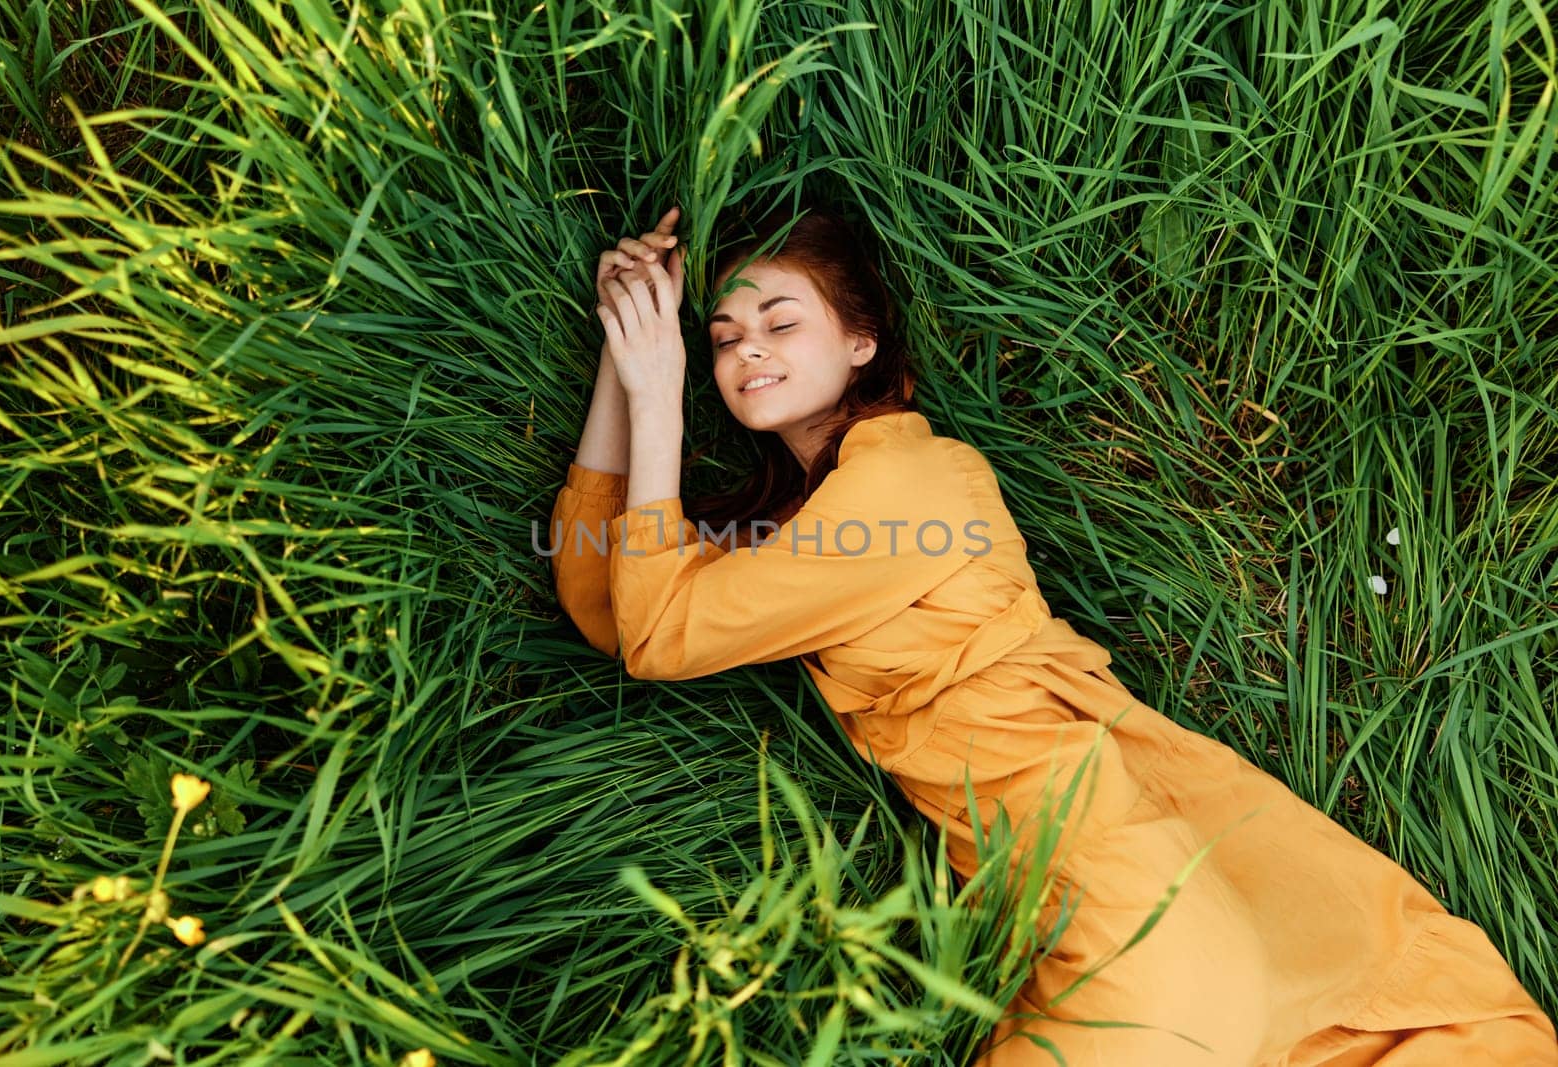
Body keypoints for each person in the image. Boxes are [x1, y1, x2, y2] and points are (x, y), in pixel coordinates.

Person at [548, 201, 1558, 1065]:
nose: (746, 346)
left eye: (778, 318)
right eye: (720, 338)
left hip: (1129, 920)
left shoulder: (912, 485)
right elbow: (614, 603)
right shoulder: (816, 532)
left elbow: (661, 630)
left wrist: (656, 389)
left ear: (861, 341)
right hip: (1127, 923)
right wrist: (621, 359)